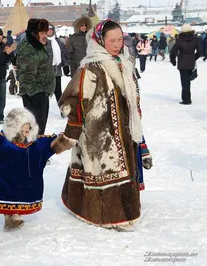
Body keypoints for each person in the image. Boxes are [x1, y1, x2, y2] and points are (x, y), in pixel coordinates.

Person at [52, 19, 143, 232]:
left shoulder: (124, 63)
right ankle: (103, 213)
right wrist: (71, 134)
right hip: (98, 135)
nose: (117, 44)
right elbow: (71, 101)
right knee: (104, 174)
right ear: (100, 40)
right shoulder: (90, 67)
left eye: (120, 39)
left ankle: (123, 211)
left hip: (123, 131)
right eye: (112, 40)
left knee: (123, 172)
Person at [0, 108, 57, 230]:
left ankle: (15, 213)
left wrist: (66, 138)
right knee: (9, 195)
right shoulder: (2, 142)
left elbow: (53, 142)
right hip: (7, 182)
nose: (26, 133)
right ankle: (10, 215)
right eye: (23, 130)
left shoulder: (35, 144)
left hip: (25, 183)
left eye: (28, 129)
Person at [17, 18, 55, 135]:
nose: (45, 35)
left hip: (41, 93)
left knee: (38, 131)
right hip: (34, 96)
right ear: (34, 33)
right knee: (34, 133)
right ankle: (31, 153)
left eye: (45, 32)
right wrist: (37, 95)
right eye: (42, 33)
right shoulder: (29, 48)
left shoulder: (38, 45)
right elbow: (27, 75)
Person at [170, 24, 202, 105]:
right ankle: (187, 98)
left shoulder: (180, 40)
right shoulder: (195, 40)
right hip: (191, 62)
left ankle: (186, 99)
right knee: (188, 81)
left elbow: (173, 52)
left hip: (182, 62)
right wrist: (194, 58)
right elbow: (200, 52)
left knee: (184, 82)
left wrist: (173, 61)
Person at [0, 27, 16, 124]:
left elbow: (9, 59)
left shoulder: (4, 45)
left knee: (2, 97)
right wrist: (6, 52)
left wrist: (10, 53)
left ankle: (0, 116)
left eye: (0, 35)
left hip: (1, 75)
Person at [47, 23, 70, 109]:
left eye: (51, 29)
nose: (49, 31)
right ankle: (42, 111)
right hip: (46, 71)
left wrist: (65, 65)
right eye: (48, 30)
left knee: (58, 91)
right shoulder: (43, 41)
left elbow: (63, 54)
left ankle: (62, 109)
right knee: (46, 91)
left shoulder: (57, 41)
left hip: (57, 69)